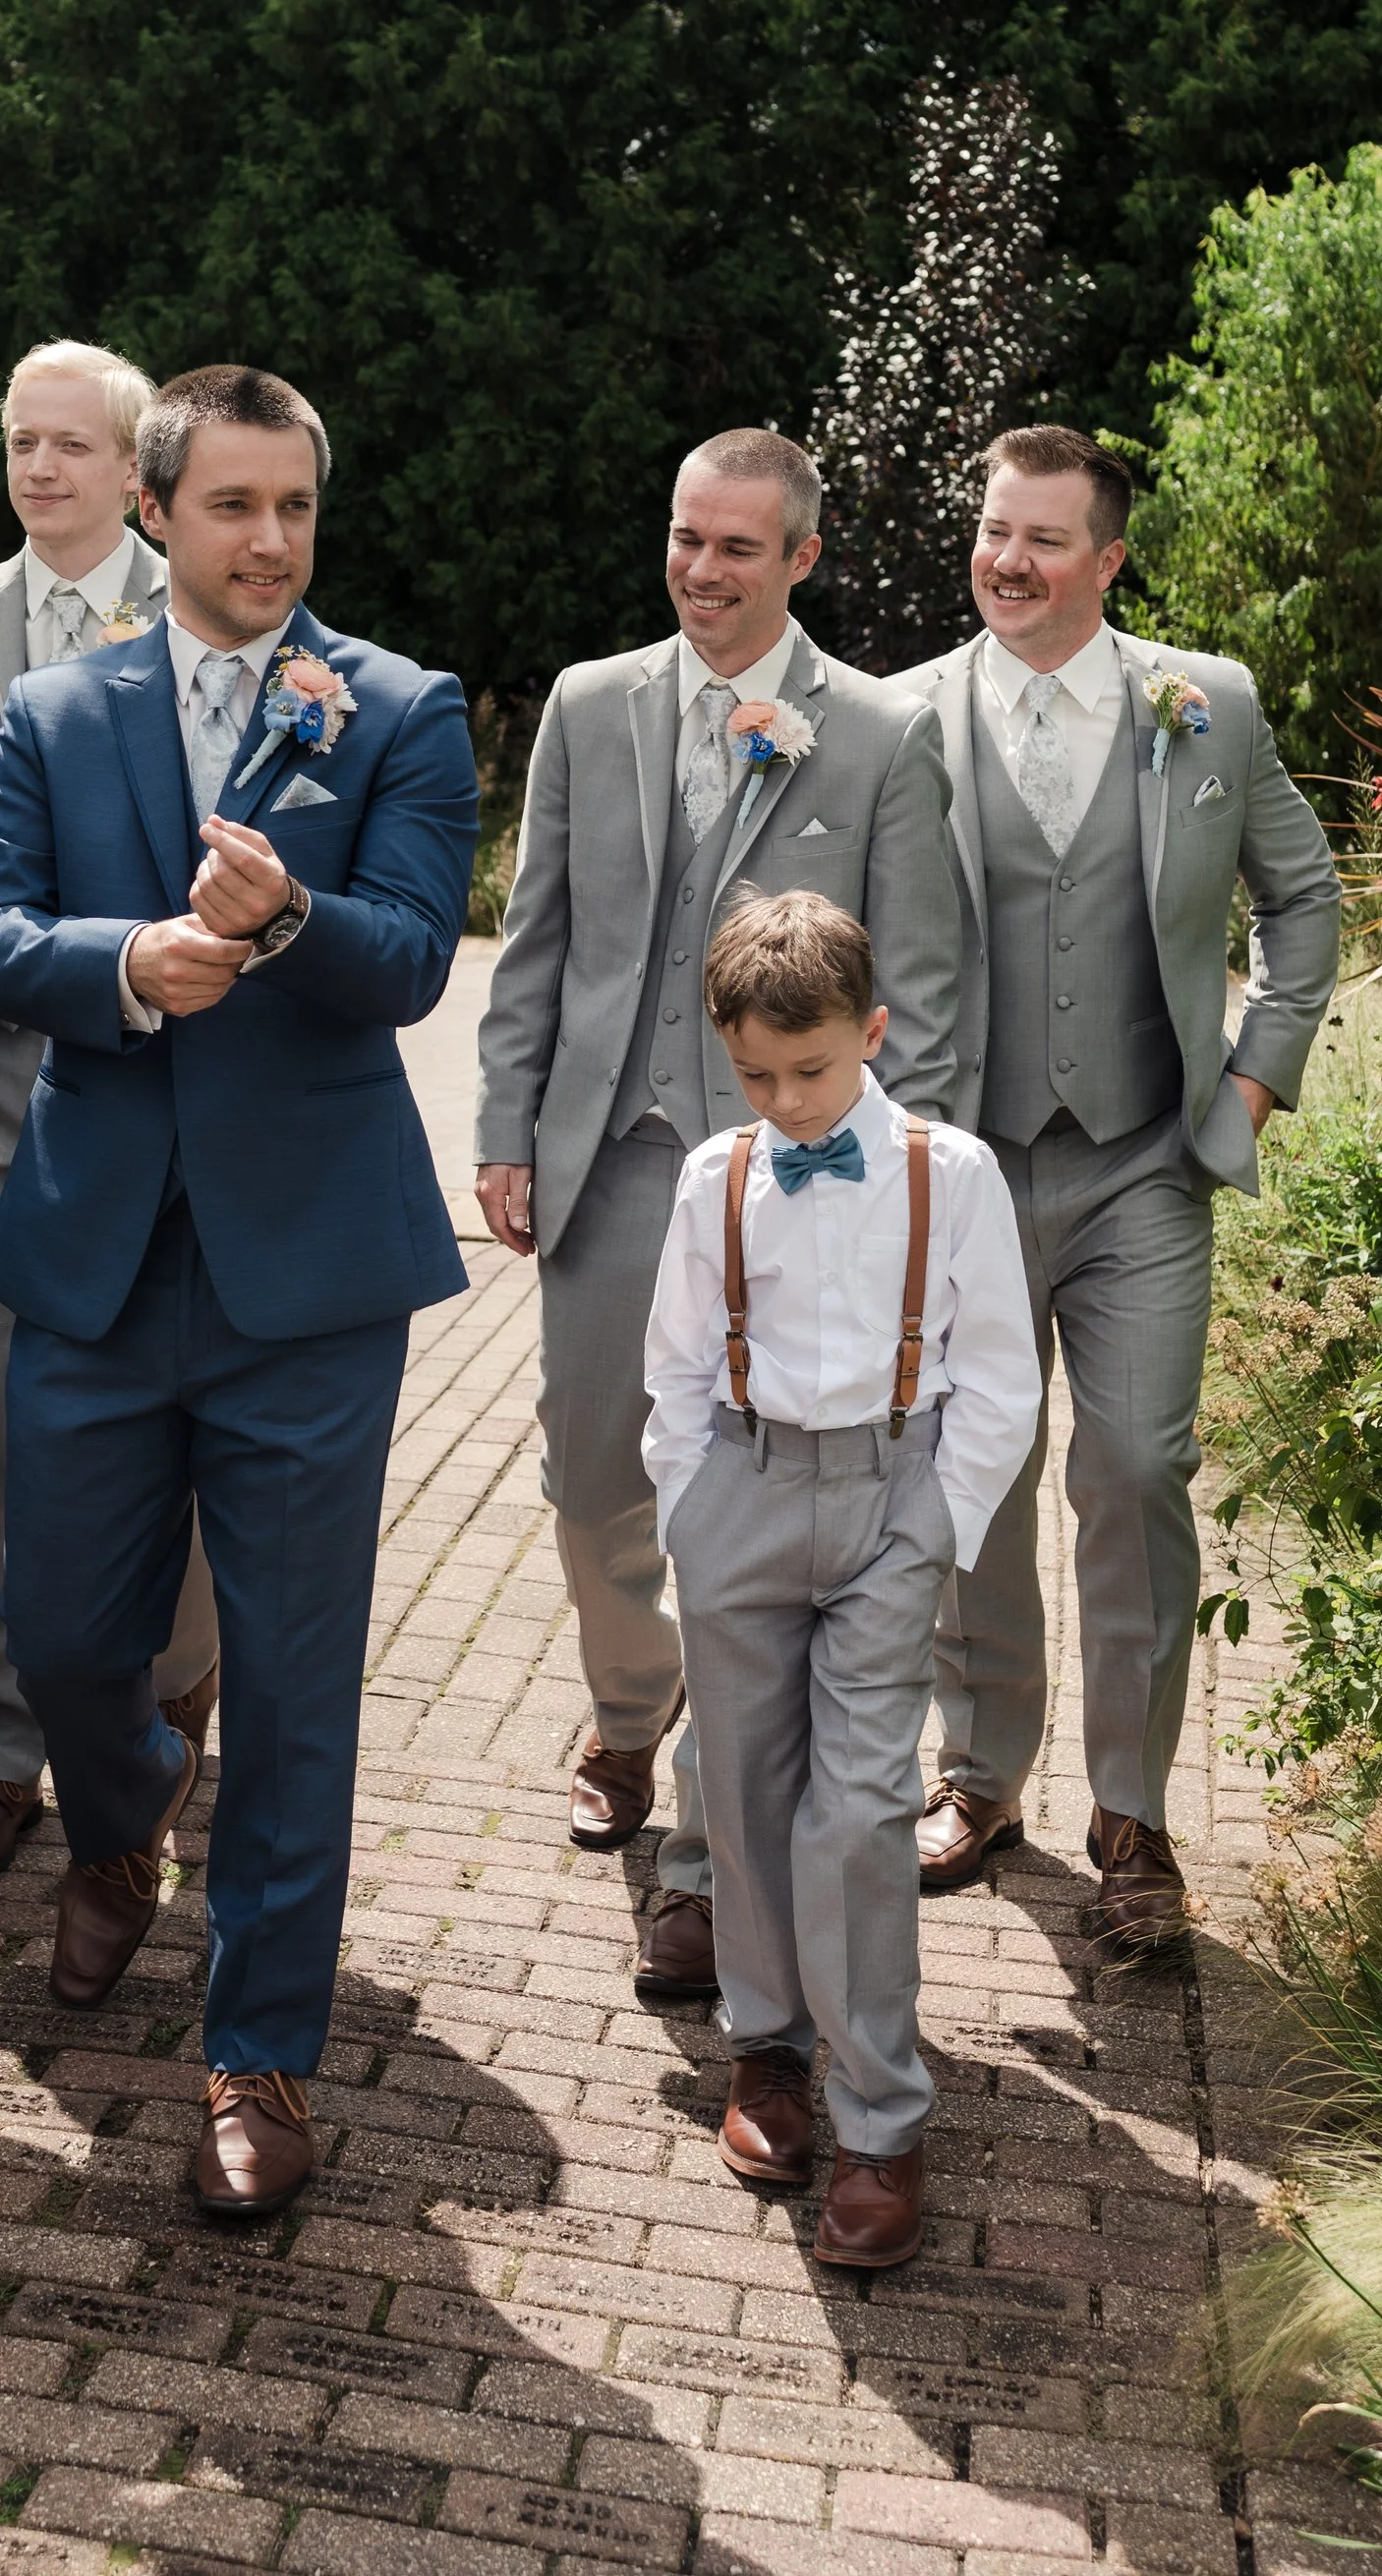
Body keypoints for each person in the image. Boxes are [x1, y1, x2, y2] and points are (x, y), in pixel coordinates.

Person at [0, 363, 477, 2218]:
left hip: (309, 1275)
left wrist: (288, 922)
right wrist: (127, 963)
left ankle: (260, 2054)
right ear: (155, 512)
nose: (270, 541)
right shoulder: (50, 707)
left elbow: (414, 958)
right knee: (60, 1637)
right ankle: (117, 1823)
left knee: (297, 1675)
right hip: (94, 1254)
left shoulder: (398, 705)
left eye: (296, 508)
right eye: (235, 506)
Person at [474, 429, 960, 2009]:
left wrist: (886, 1198)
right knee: (589, 1475)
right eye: (687, 537)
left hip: (788, 1182)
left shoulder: (880, 735)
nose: (702, 569)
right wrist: (503, 1130)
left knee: (743, 1515)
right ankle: (631, 1710)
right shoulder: (589, 702)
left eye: (739, 547)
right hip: (613, 1155)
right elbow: (537, 940)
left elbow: (917, 992)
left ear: (801, 558)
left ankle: (698, 1868)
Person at [899, 426, 1339, 1950]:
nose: (1006, 561)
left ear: (1108, 560)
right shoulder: (902, 715)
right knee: (974, 1468)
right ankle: (979, 1773)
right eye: (992, 530)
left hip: (1149, 1163)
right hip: (963, 1169)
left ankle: (1133, 1811)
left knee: (1138, 1469)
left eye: (1042, 537)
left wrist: (1251, 1088)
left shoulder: (1205, 706)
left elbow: (1304, 899)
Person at [645, 891, 1039, 2268]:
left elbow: (1000, 1372)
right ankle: (767, 2050)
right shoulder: (715, 1176)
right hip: (743, 1495)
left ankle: (881, 2118)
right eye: (755, 1076)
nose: (786, 1101)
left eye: (809, 1069)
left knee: (862, 1808)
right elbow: (676, 1366)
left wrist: (937, 1522)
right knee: (744, 1790)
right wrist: (691, 1511)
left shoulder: (955, 1175)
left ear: (872, 1033)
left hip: (888, 1501)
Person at [0, 342, 217, 1886]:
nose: (38, 469)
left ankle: (166, 1704)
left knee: (178, 1424)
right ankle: (3, 1745)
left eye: (70, 446)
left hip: (165, 1083)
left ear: (134, 471)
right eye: (19, 442)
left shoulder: (210, 615)